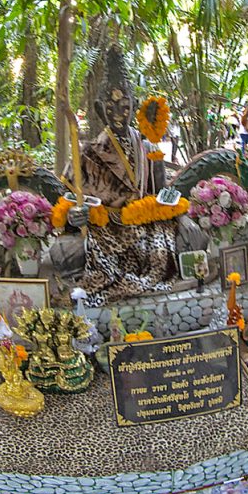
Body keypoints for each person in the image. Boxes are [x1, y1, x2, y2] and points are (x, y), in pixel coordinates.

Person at [51, 46, 207, 305]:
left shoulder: (147, 148)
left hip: (144, 224)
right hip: (106, 227)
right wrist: (73, 216)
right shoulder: (88, 153)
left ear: (134, 107)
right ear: (101, 110)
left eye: (124, 107)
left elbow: (159, 196)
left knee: (174, 242)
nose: (118, 114)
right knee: (69, 253)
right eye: (111, 108)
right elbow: (69, 202)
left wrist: (172, 208)